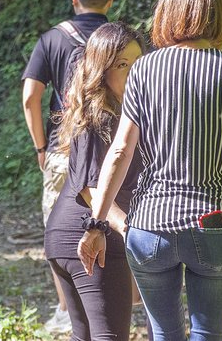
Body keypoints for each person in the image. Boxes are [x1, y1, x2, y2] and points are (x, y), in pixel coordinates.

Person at [77, 0, 222, 340]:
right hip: (214, 223)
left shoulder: (143, 70)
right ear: (218, 13)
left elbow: (120, 151)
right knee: (208, 335)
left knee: (165, 334)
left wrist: (96, 224)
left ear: (168, 12)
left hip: (149, 226)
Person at [22, 0, 114, 332]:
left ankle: (66, 310)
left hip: (64, 151)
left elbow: (31, 97)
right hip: (112, 152)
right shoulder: (119, 40)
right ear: (110, 0)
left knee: (59, 229)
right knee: (112, 222)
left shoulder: (52, 39)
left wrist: (41, 147)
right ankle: (114, 300)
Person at [45, 22, 147, 341]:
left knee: (84, 336)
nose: (132, 72)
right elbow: (91, 189)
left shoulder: (121, 112)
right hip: (89, 238)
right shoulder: (100, 116)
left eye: (137, 63)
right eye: (121, 64)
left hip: (65, 238)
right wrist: (129, 229)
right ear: (101, 70)